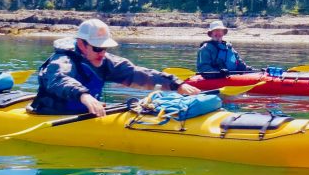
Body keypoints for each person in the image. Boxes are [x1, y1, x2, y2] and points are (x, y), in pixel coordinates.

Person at [32, 18, 201, 116]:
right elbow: (59, 79)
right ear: (81, 44)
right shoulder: (62, 60)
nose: (102, 53)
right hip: (52, 114)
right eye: (97, 48)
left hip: (86, 113)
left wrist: (176, 84)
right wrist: (84, 95)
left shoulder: (105, 61)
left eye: (105, 48)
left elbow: (138, 73)